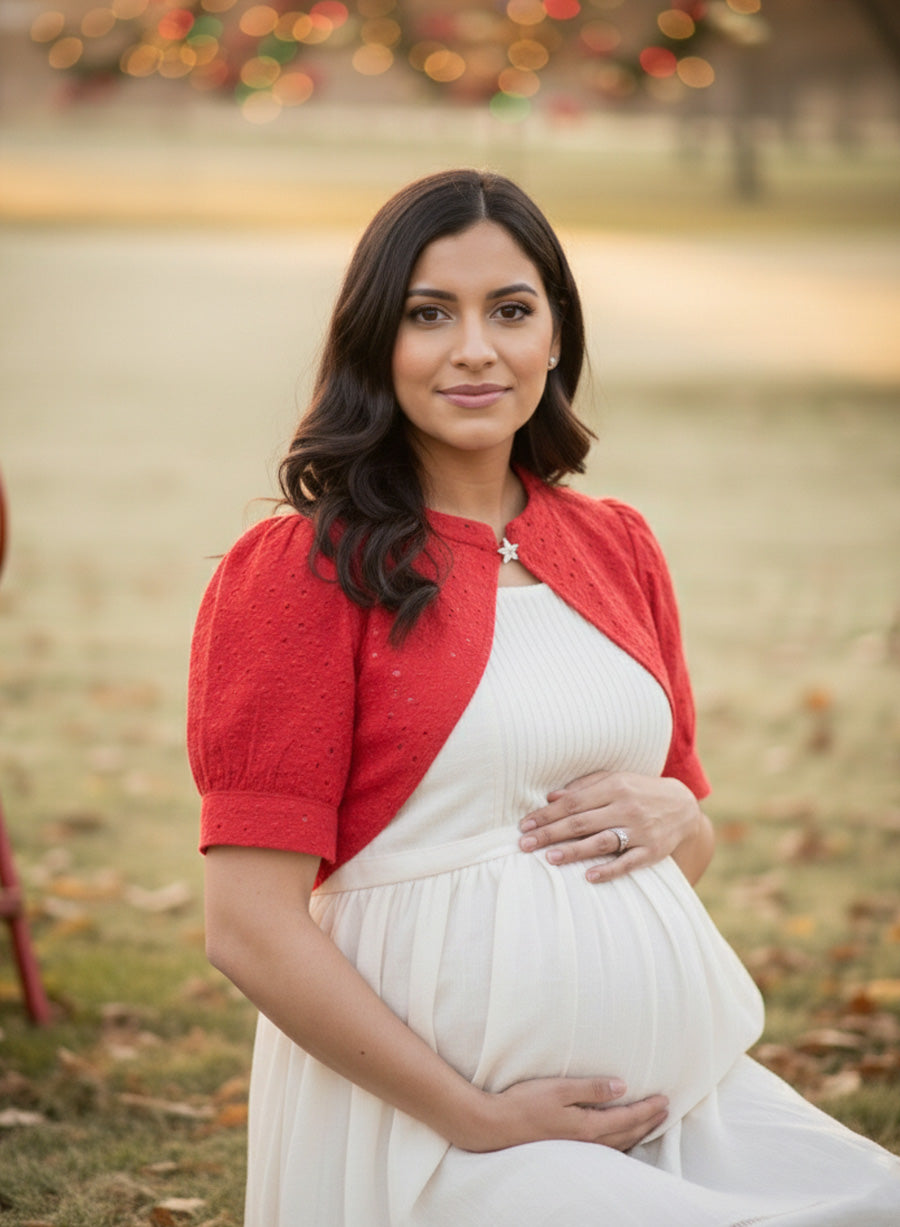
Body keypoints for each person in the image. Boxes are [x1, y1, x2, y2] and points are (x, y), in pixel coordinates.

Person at [188, 169, 900, 1226]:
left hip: (682, 1099)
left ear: (555, 336)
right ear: (375, 341)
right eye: (430, 314)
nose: (476, 347)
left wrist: (681, 813)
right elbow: (247, 927)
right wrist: (474, 1114)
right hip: (431, 1131)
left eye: (511, 310)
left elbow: (674, 854)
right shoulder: (302, 570)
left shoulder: (617, 544)